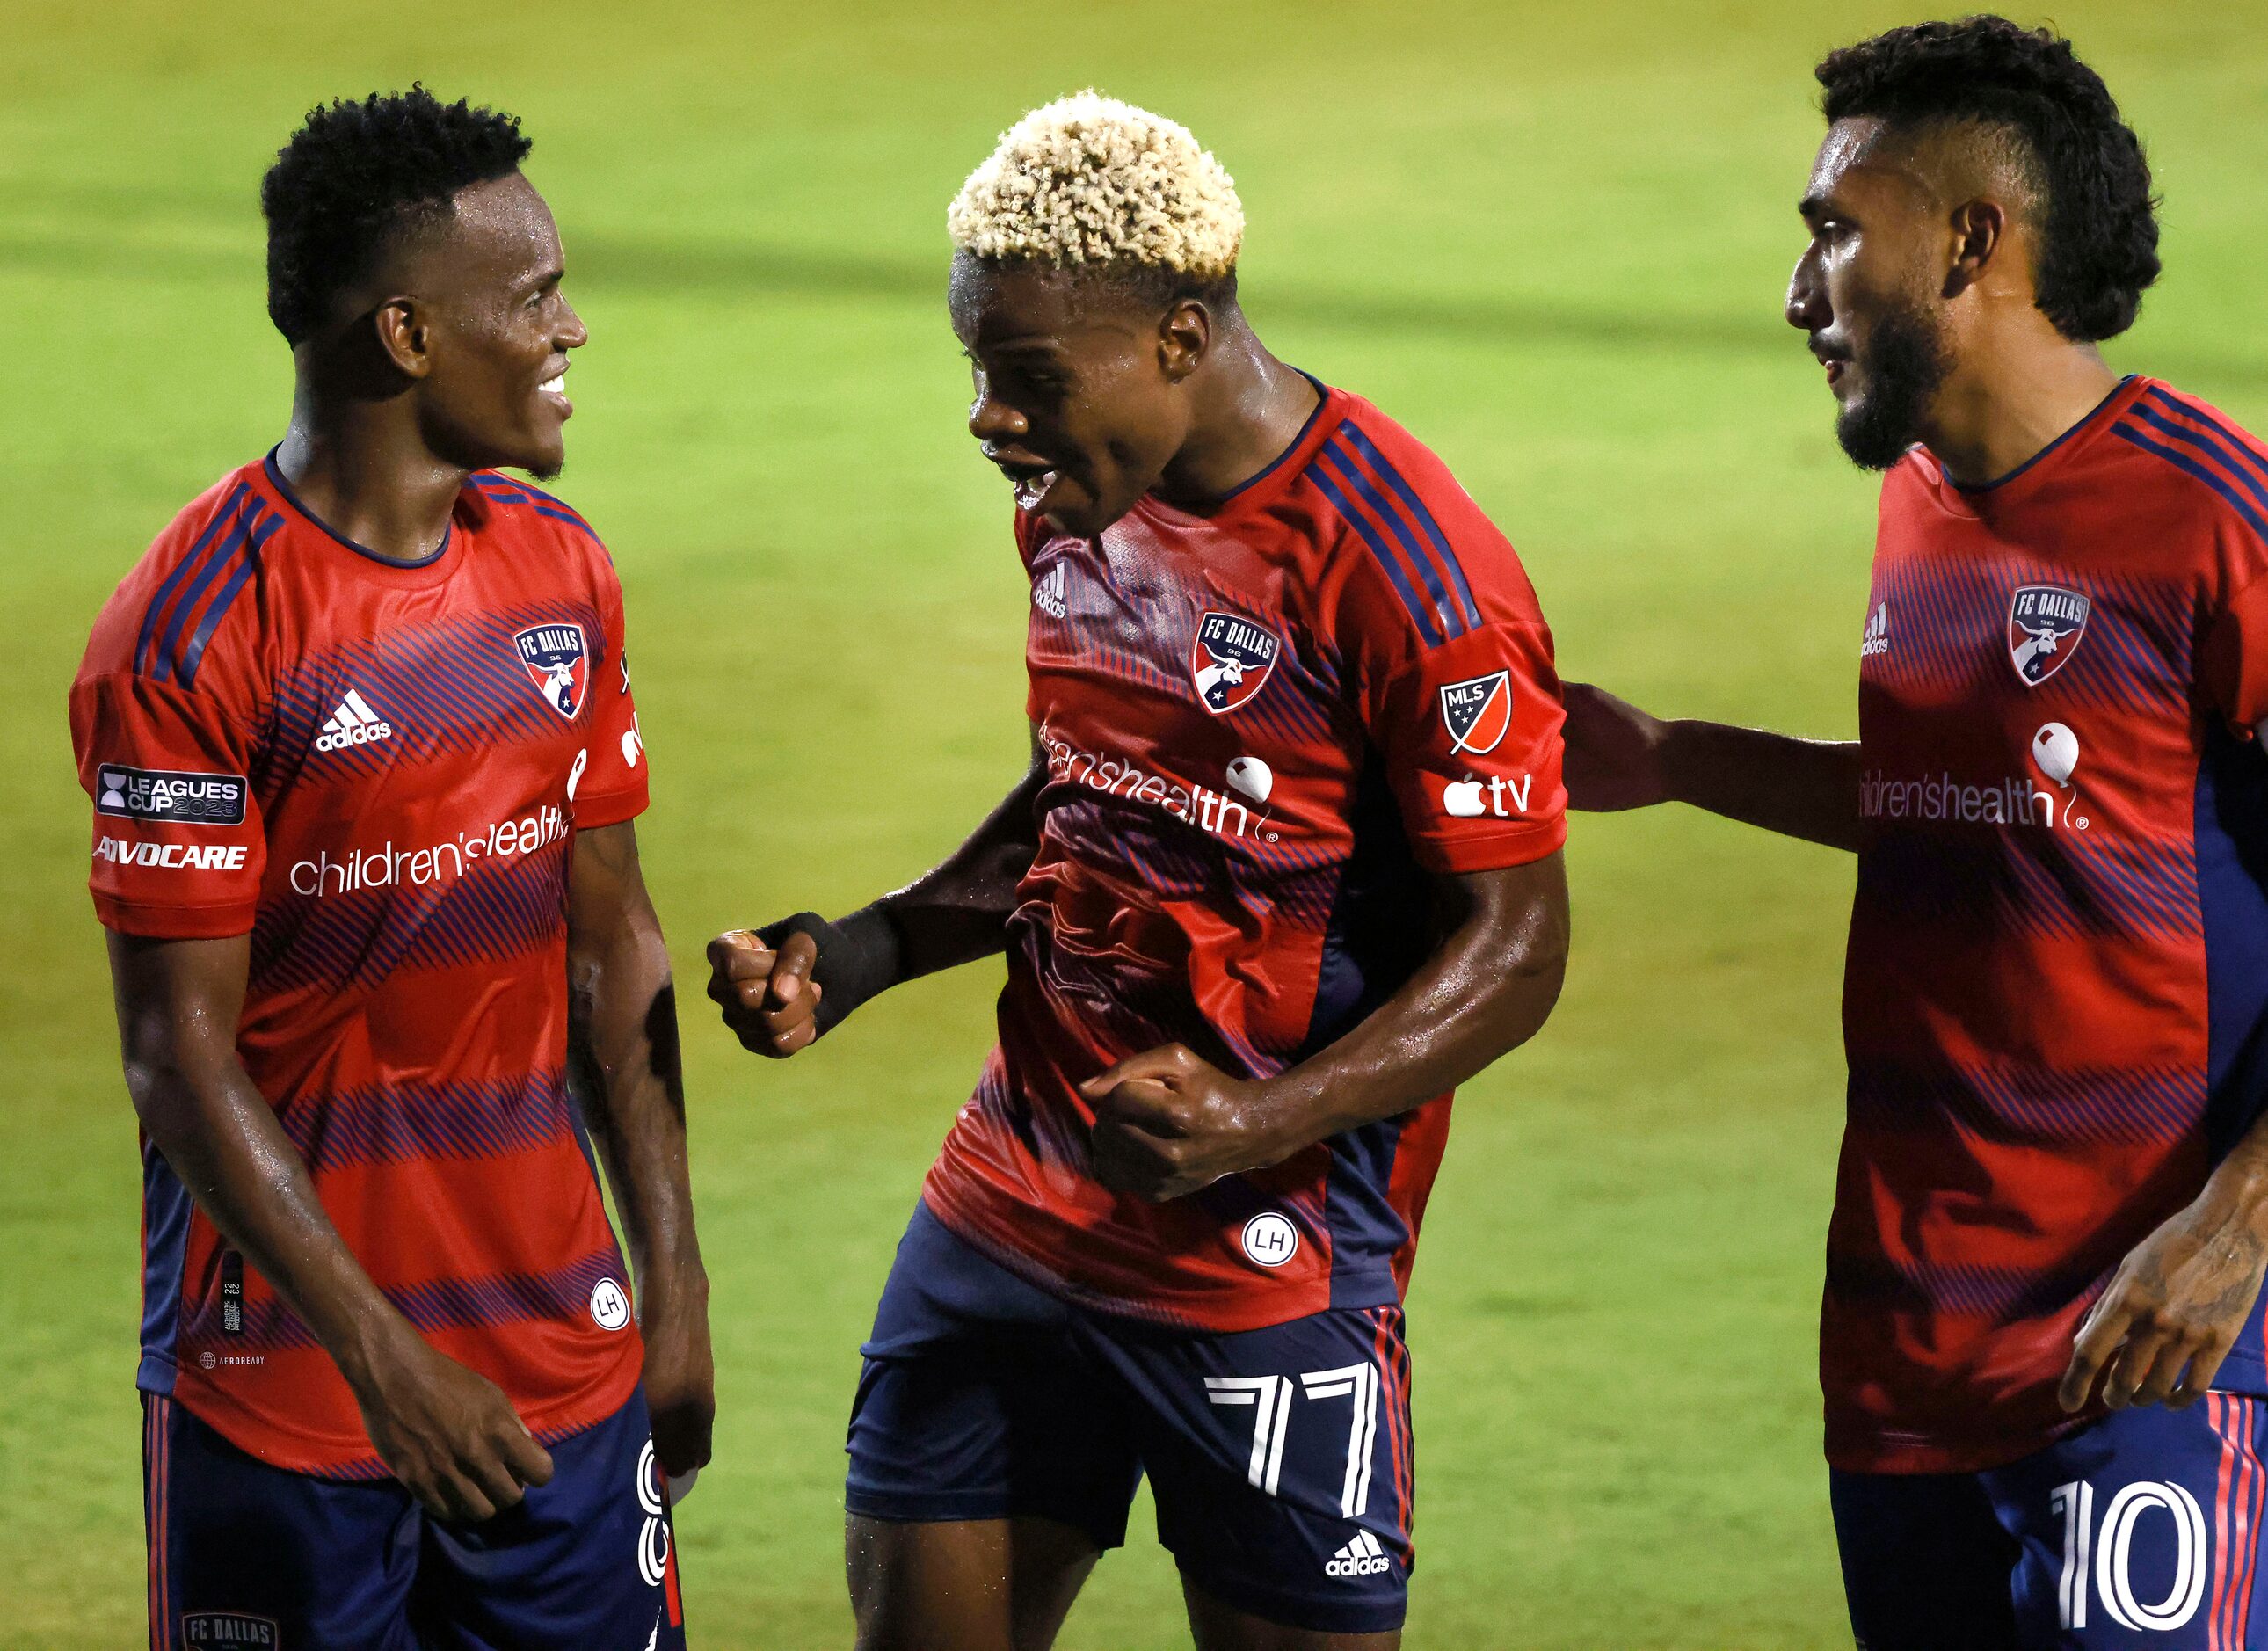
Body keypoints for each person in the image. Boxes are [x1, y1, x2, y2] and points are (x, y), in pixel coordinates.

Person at [709, 93, 1571, 1650]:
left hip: (1270, 1262)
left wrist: (1260, 1119)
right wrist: (871, 948)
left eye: (1030, 377)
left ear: (1181, 334)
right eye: (979, 374)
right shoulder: (1072, 510)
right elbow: (1095, 793)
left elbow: (1517, 944)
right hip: (1008, 1205)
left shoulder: (1406, 570)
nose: (990, 420)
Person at [1564, 18, 2268, 1645]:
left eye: (1831, 229)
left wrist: (2235, 1232)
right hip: (1905, 1338)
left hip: (2150, 1340)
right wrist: (1673, 759)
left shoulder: (2210, 515)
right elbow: (1977, 805)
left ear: (1971, 241)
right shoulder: (1926, 500)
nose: (1799, 292)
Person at [71, 88, 709, 1648]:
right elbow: (177, 1053)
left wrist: (675, 1289)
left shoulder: (562, 573)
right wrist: (385, 1361)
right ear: (409, 335)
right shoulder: (192, 635)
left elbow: (610, 947)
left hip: (564, 1360)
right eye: (535, 296)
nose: (574, 327)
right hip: (287, 1397)